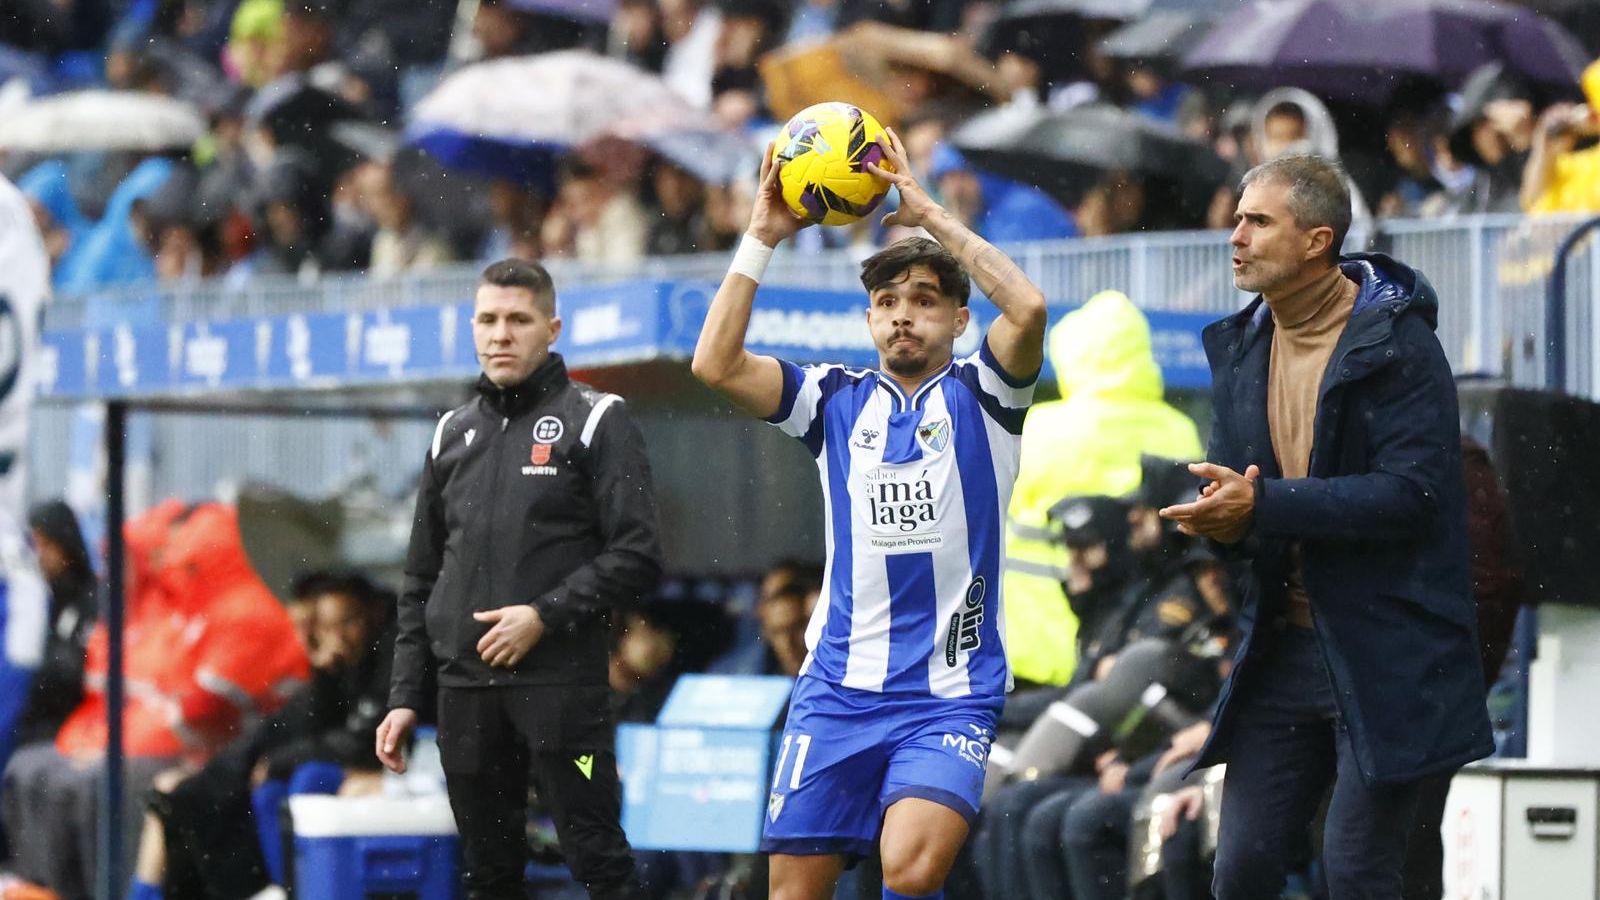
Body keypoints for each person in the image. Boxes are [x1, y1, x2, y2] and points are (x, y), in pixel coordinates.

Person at [691, 127, 1048, 900]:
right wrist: (760, 236)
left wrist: (930, 214)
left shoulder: (988, 396)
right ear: (868, 320)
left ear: (959, 319)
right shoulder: (832, 400)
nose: (902, 316)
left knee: (910, 871)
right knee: (792, 893)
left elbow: (1027, 306)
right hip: (836, 692)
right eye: (886, 303)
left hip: (949, 694)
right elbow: (714, 364)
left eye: (923, 301)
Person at [1158, 154, 1492, 899]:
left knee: (1358, 872)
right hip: (1281, 649)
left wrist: (1263, 506)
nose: (1235, 236)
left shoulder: (1399, 342)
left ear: (1317, 240)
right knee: (1240, 870)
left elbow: (1411, 497)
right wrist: (1222, 523)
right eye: (1237, 218)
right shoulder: (1242, 344)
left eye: (1258, 221)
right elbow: (1245, 493)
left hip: (1386, 653)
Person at [375, 258, 663, 900]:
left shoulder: (597, 418)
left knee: (599, 861)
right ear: (472, 328)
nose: (500, 334)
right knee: (487, 873)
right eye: (487, 319)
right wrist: (404, 695)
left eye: (518, 320)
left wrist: (543, 615)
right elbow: (420, 579)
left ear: (552, 329)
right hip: (464, 691)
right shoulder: (451, 432)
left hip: (560, 686)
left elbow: (639, 553)